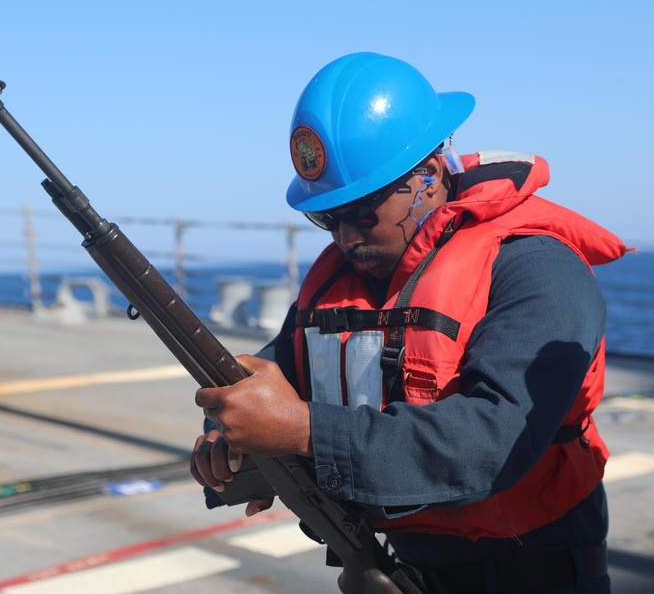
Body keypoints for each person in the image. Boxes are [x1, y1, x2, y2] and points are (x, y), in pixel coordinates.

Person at [190, 52, 630, 594]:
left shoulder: (538, 268)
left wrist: (304, 432)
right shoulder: (343, 278)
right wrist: (231, 437)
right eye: (327, 217)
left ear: (428, 173)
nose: (346, 238)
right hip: (400, 572)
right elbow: (272, 379)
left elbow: (494, 440)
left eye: (362, 213)